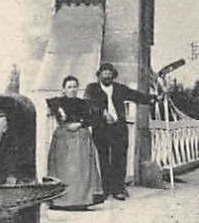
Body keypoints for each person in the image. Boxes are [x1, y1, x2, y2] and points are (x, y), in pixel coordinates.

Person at [84, 62, 151, 200]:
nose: (107, 75)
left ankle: (118, 188)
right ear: (99, 74)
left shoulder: (120, 89)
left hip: (118, 127)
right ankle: (105, 188)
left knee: (119, 157)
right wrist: (103, 112)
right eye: (104, 72)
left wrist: (155, 98)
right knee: (103, 157)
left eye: (110, 73)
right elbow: (90, 103)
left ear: (113, 75)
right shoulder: (92, 88)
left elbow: (136, 96)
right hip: (101, 127)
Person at [45, 75, 103, 209]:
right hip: (64, 137)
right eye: (69, 87)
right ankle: (61, 201)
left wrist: (80, 123)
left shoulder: (84, 103)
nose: (72, 89)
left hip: (80, 137)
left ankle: (81, 200)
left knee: (80, 169)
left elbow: (93, 118)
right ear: (64, 89)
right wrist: (60, 112)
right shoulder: (58, 101)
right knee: (63, 167)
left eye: (75, 86)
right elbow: (51, 103)